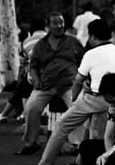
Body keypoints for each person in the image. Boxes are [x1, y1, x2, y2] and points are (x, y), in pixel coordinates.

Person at [25, 19, 115, 165]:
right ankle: (81, 160)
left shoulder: (91, 53)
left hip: (96, 98)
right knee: (89, 129)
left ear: (92, 36)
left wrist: (74, 100)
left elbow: (78, 81)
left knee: (62, 125)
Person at [15, 12, 84, 155]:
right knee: (31, 107)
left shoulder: (74, 42)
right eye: (55, 23)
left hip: (68, 85)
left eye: (61, 22)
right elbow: (33, 66)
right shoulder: (41, 45)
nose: (59, 26)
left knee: (78, 108)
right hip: (46, 85)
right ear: (48, 26)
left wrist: (81, 80)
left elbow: (83, 62)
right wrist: (37, 80)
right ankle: (31, 142)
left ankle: (77, 144)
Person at [0, 18, 47, 123]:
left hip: (33, 76)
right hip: (52, 76)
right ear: (45, 27)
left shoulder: (26, 42)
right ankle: (23, 114)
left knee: (23, 87)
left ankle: (22, 115)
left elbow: (23, 63)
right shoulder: (52, 39)